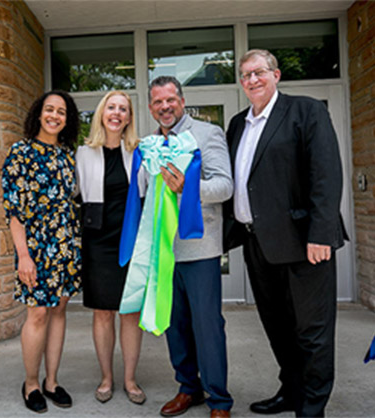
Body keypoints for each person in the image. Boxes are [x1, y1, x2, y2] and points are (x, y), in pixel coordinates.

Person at [223, 49, 346, 417]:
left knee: (313, 332)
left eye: (259, 72)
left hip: (305, 243)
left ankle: (311, 407)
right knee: (278, 327)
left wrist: (321, 234)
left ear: (276, 75)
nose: (252, 80)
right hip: (257, 244)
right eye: (245, 75)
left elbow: (326, 175)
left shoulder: (305, 111)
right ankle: (291, 391)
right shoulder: (237, 124)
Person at [147, 76, 234, 418]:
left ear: (182, 101)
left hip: (199, 249)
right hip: (164, 249)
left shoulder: (207, 133)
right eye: (157, 102)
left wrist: (188, 187)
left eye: (170, 100)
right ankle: (188, 388)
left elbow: (224, 186)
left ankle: (219, 400)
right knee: (175, 325)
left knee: (207, 326)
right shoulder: (151, 142)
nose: (165, 107)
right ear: (152, 107)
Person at [1, 90, 82, 414]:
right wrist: (23, 255)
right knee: (37, 313)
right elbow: (14, 211)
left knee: (59, 310)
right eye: (49, 110)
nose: (54, 116)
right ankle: (31, 383)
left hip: (65, 245)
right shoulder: (20, 152)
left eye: (61, 112)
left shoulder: (67, 154)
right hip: (34, 248)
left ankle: (52, 381)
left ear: (67, 119)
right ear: (38, 113)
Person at [75, 91, 146, 405]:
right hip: (97, 239)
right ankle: (107, 378)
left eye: (123, 109)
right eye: (111, 107)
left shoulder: (141, 151)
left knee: (129, 311)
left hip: (132, 238)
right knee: (103, 312)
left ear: (129, 117)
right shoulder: (82, 153)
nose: (116, 113)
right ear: (102, 113)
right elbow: (73, 194)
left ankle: (130, 380)